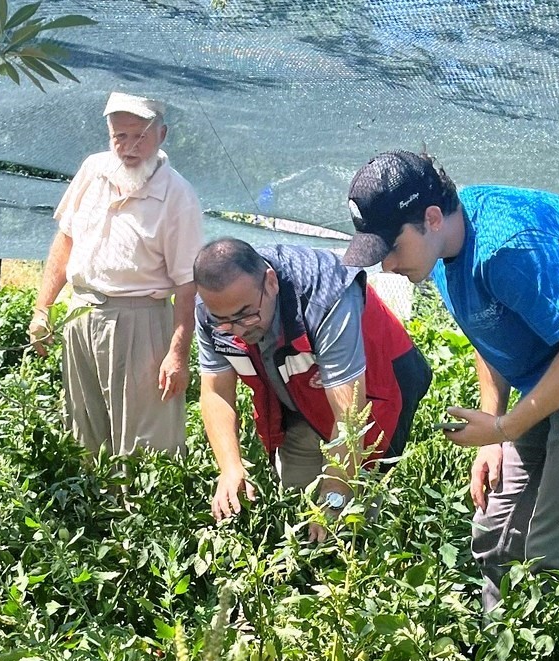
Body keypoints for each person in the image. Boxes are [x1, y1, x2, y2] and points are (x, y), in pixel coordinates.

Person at [344, 151, 559, 609]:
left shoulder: (507, 248)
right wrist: (492, 432)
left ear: (432, 217)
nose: (387, 266)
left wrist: (507, 428)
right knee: (495, 532)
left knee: (549, 553)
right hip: (555, 360)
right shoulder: (440, 252)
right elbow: (489, 333)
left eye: (391, 249)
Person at [192, 238, 432, 541]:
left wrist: (335, 493)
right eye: (224, 322)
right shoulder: (210, 310)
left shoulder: (325, 296)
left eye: (245, 314)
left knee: (354, 509)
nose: (238, 329)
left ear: (270, 282)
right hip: (300, 399)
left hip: (375, 392)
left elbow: (350, 414)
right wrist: (230, 467)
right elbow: (215, 393)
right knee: (298, 504)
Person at [27, 92, 204, 456]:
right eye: (119, 136)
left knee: (146, 446)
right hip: (81, 315)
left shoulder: (178, 197)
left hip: (141, 321)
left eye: (140, 136)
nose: (129, 147)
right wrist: (42, 308)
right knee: (83, 434)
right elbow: (66, 240)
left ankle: (143, 513)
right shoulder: (93, 170)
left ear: (162, 135)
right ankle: (94, 513)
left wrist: (178, 355)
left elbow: (188, 286)